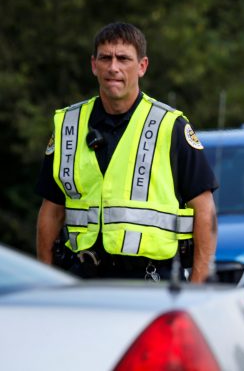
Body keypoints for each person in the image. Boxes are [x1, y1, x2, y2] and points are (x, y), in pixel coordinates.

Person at [35, 22, 217, 283]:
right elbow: (51, 211)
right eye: (105, 58)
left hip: (149, 281)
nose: (113, 67)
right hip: (83, 280)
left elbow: (204, 209)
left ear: (142, 66)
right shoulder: (68, 125)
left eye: (123, 58)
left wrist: (197, 286)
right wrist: (47, 282)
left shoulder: (170, 126)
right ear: (93, 65)